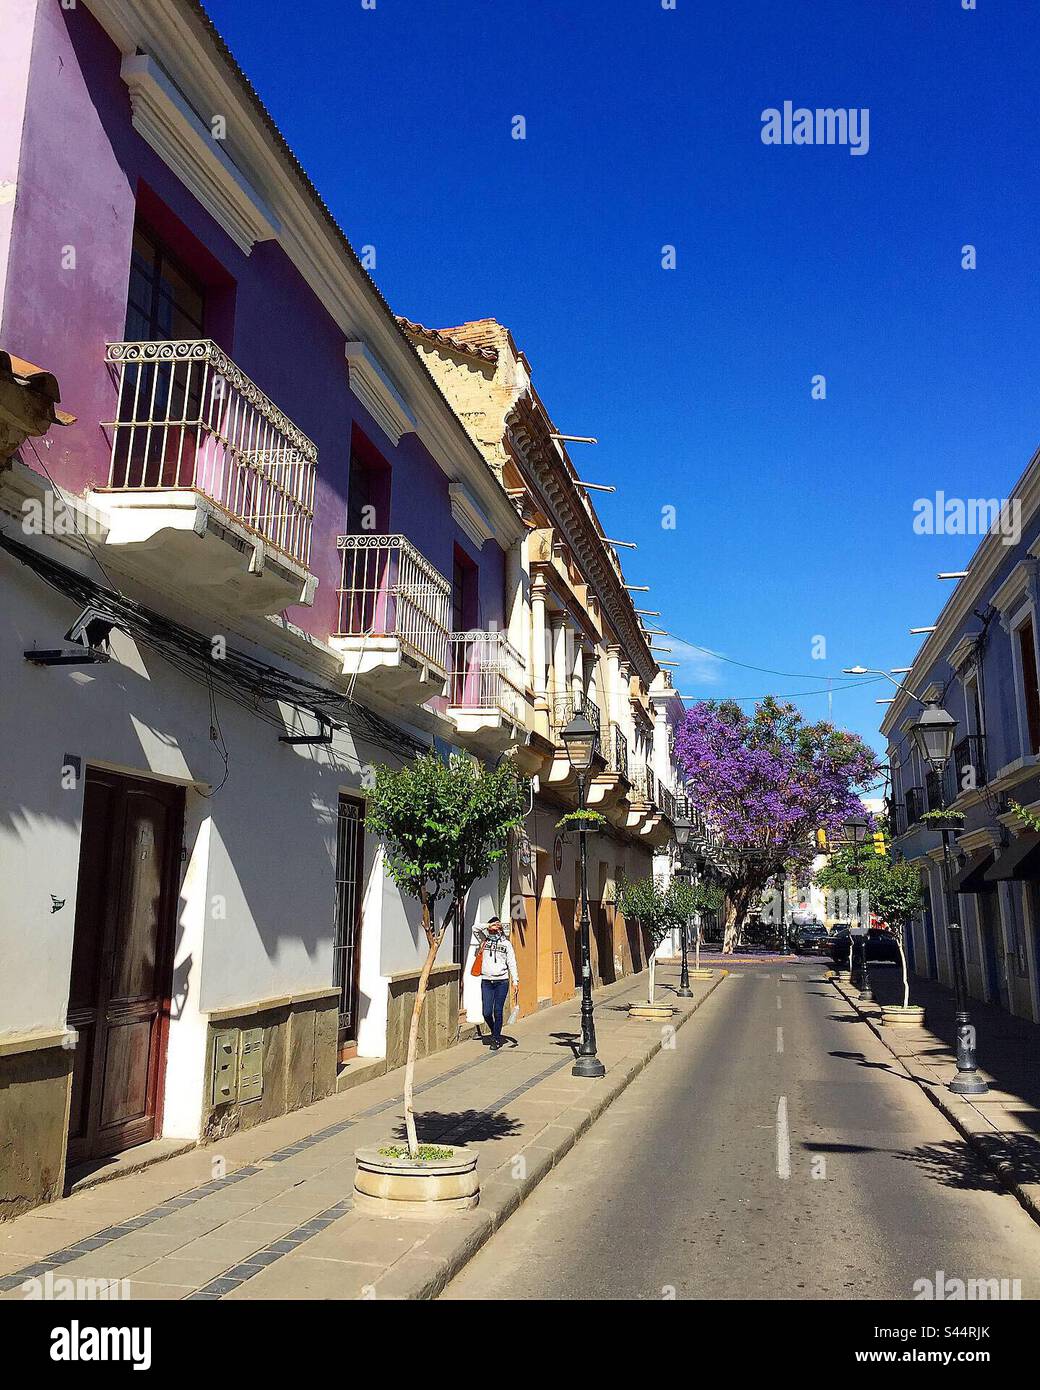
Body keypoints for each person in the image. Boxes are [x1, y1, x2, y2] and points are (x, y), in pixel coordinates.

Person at [476, 916, 518, 1051]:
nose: (494, 932)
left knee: (498, 1010)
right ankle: (495, 1030)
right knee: (486, 1012)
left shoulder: (506, 944)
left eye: (496, 929)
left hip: (502, 981)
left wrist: (515, 981)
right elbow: (474, 929)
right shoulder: (484, 940)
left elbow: (512, 962)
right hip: (487, 981)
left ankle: (496, 1038)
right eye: (492, 930)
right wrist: (488, 926)